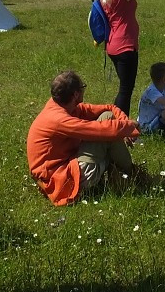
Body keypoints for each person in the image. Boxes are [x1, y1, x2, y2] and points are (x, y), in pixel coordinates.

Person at [26, 70, 141, 206]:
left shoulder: (63, 106)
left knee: (108, 118)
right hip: (61, 181)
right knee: (108, 131)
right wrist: (128, 127)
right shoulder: (59, 119)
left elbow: (109, 108)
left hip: (66, 167)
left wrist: (124, 122)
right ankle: (134, 175)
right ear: (75, 94)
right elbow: (99, 130)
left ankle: (127, 174)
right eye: (82, 88)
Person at [99, 0, 154, 116]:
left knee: (124, 88)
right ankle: (121, 127)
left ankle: (115, 121)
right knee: (126, 90)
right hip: (125, 45)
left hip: (112, 44)